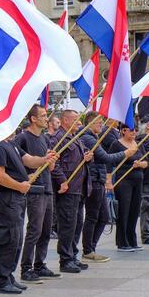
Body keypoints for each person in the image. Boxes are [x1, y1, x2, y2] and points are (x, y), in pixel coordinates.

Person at [0, 132, 53, 294]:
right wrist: (19, 185)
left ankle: (8, 276)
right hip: (7, 198)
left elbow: (29, 160)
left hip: (17, 198)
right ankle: (1, 281)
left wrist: (45, 159)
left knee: (16, 240)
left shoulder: (11, 144)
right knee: (7, 238)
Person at [14, 105, 60, 282]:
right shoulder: (22, 138)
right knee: (35, 229)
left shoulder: (44, 139)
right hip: (34, 189)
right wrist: (25, 176)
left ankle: (40, 265)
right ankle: (26, 268)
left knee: (46, 230)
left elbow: (49, 166)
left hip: (47, 187)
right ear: (33, 119)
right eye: (42, 115)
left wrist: (52, 160)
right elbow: (16, 161)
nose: (46, 118)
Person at [78, 112, 128, 263]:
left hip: (98, 179)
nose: (101, 124)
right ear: (89, 123)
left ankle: (91, 248)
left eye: (101, 122)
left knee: (103, 217)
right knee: (93, 216)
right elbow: (105, 157)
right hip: (93, 180)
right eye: (98, 122)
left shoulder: (94, 137)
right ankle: (88, 250)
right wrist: (125, 153)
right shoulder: (88, 138)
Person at [49, 109, 92, 274]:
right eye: (75, 120)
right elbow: (55, 162)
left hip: (79, 187)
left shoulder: (75, 138)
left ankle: (73, 255)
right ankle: (65, 259)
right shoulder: (59, 138)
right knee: (67, 224)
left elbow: (77, 159)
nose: (79, 123)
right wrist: (61, 180)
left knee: (76, 223)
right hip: (68, 187)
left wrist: (87, 157)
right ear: (65, 121)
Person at [107, 125, 148, 252]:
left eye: (135, 130)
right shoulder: (116, 144)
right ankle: (122, 242)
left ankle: (132, 240)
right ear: (123, 131)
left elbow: (147, 161)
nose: (134, 133)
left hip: (138, 179)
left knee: (135, 211)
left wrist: (141, 164)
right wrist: (108, 180)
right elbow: (109, 162)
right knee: (124, 210)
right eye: (131, 130)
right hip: (124, 180)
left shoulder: (137, 143)